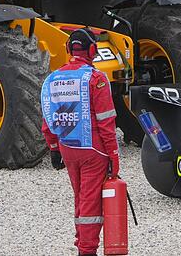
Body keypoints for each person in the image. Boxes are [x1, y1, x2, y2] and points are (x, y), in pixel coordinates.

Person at [41, 28, 120, 256]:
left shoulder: (53, 79)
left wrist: (54, 148)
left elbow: (49, 119)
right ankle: (87, 250)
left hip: (67, 148)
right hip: (94, 150)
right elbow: (106, 123)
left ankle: (81, 244)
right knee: (91, 205)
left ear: (68, 50)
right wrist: (114, 156)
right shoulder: (96, 78)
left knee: (81, 200)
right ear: (93, 50)